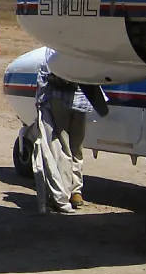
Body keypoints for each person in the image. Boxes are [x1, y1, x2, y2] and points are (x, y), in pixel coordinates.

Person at [32, 48, 102, 213]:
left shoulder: (56, 47)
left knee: (64, 147)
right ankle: (76, 191)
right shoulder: (86, 50)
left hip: (60, 100)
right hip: (82, 100)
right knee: (77, 146)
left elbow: (44, 73)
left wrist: (40, 101)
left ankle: (63, 192)